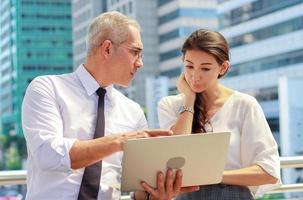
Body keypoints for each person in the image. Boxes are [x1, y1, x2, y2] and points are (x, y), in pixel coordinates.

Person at [22, 11, 198, 200]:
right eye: (135, 52)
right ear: (106, 49)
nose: (140, 63)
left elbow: (139, 190)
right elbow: (47, 153)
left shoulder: (133, 111)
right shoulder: (48, 88)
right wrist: (118, 141)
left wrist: (156, 193)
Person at [157, 29, 281, 199]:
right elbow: (174, 156)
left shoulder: (244, 105)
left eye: (205, 68)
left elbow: (269, 171)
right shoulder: (169, 105)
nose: (195, 77)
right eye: (189, 66)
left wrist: (212, 175)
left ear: (223, 67)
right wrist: (189, 101)